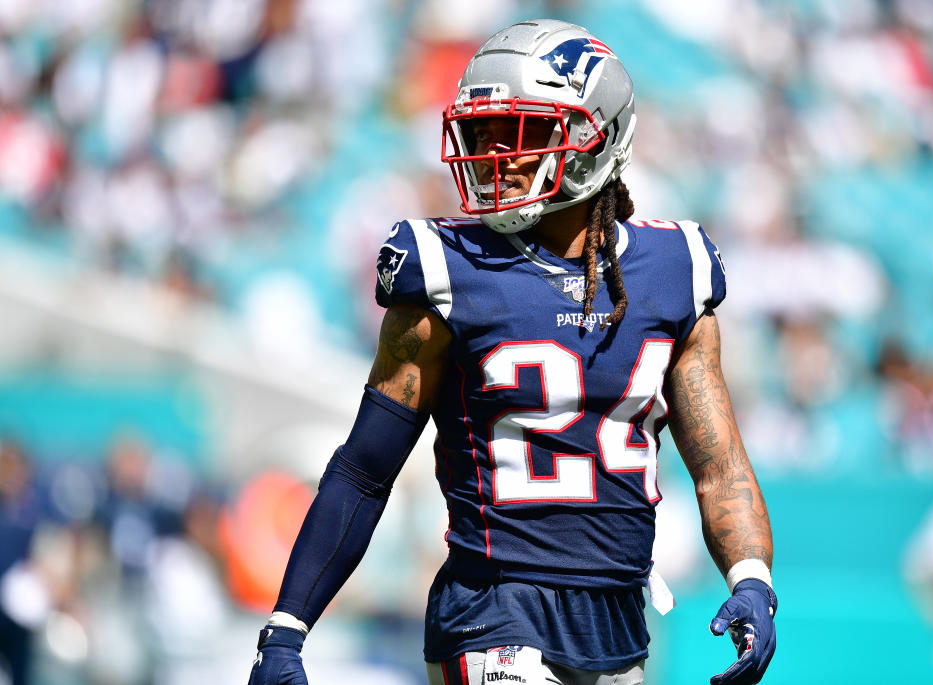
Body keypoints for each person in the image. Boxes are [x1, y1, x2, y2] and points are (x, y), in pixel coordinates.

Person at [248, 18, 776, 685]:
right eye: (482, 132)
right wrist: (287, 628)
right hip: (491, 606)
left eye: (520, 132)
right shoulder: (444, 268)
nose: (493, 153)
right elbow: (363, 468)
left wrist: (751, 575)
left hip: (616, 620)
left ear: (594, 138)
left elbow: (718, 462)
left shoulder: (676, 268)